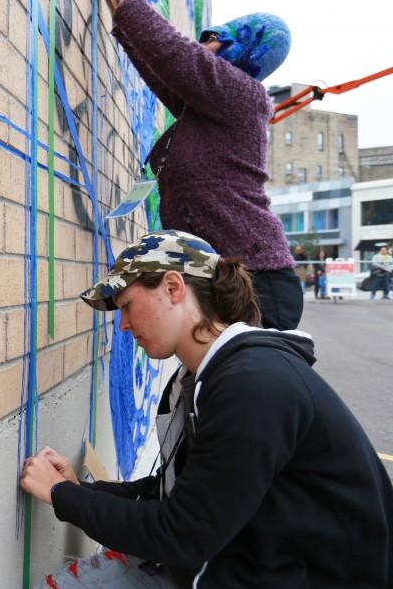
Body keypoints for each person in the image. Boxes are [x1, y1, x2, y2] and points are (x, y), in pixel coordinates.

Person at [20, 230, 393, 588]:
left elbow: (183, 534)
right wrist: (83, 490)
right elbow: (184, 494)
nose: (123, 326)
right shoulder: (206, 375)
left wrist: (62, 496)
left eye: (127, 306)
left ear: (173, 287)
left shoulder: (252, 385)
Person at [93, 0, 303, 331]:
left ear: (239, 47)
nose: (200, 44)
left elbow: (174, 55)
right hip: (230, 281)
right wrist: (116, 9)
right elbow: (163, 71)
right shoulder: (213, 105)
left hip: (258, 285)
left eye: (212, 39)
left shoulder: (243, 96)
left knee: (225, 387)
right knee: (202, 387)